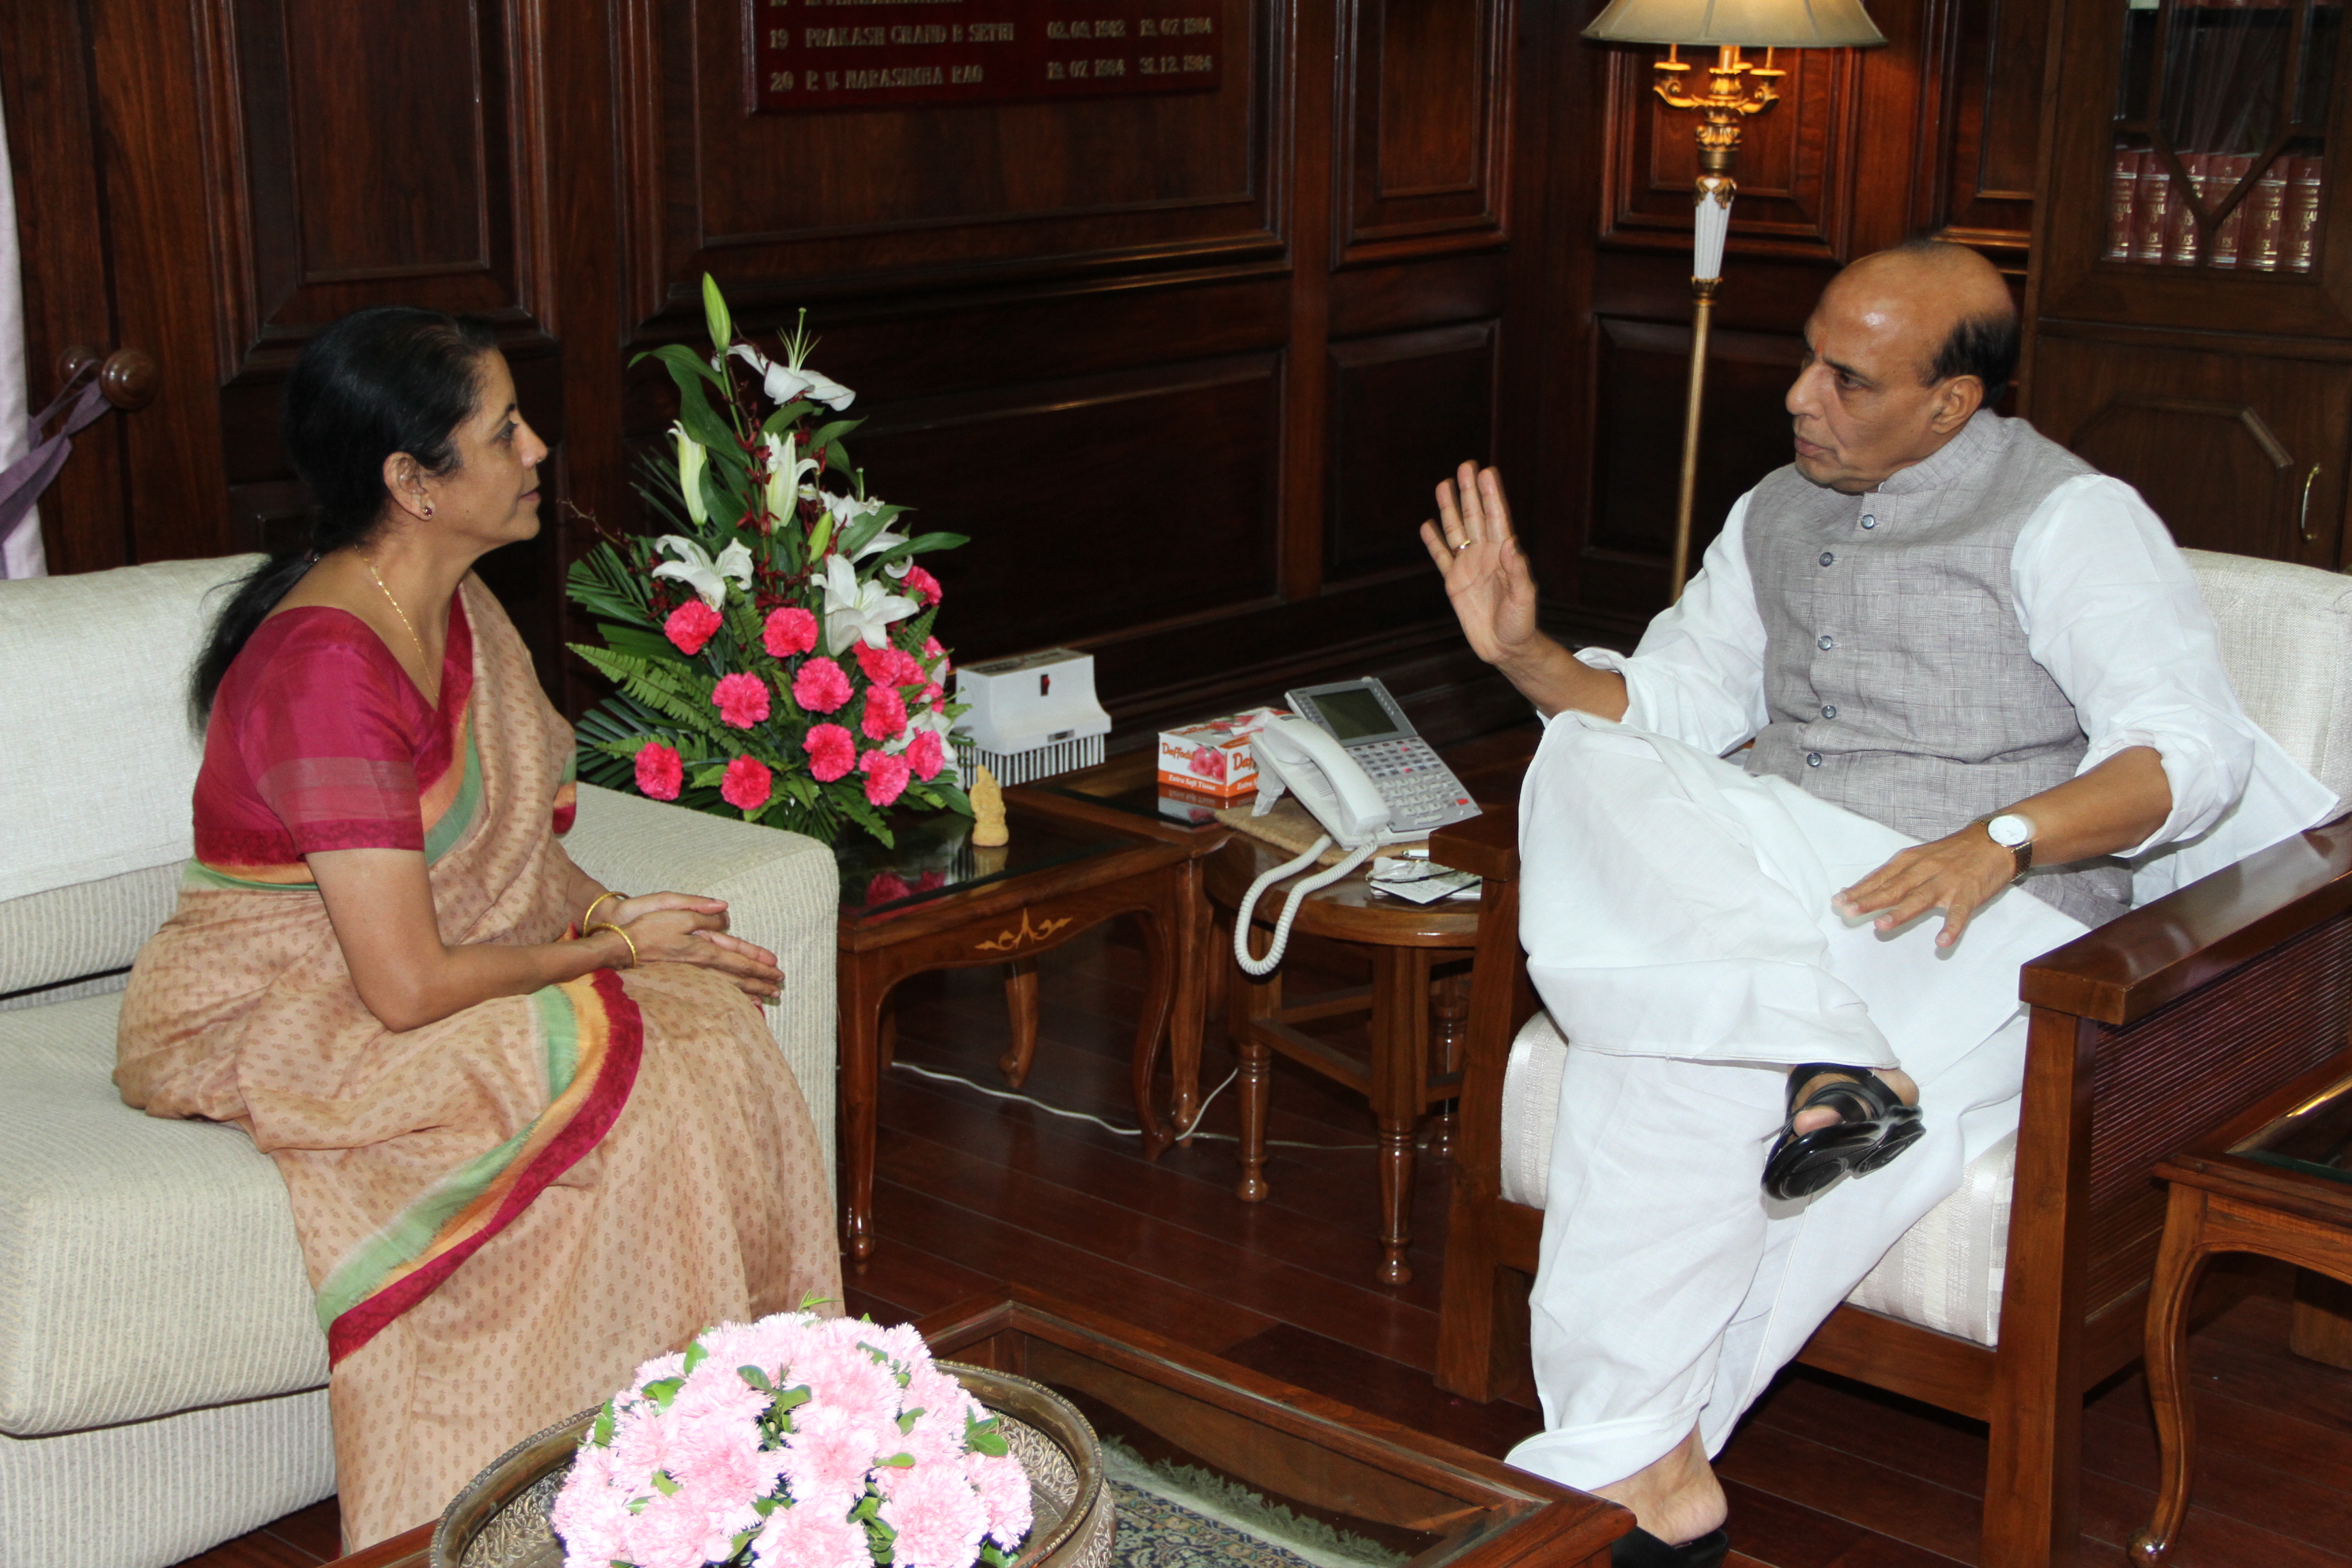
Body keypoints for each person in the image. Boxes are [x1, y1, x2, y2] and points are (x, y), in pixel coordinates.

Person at [1418, 240, 2338, 1567]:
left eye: (1847, 380)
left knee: (1665, 1042)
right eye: (1806, 357)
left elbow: (2188, 756)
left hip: (1978, 916)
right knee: (1588, 754)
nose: (1800, 396)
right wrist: (1528, 654)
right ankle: (1821, 1053)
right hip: (1792, 875)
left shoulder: (2073, 520)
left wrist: (2004, 839)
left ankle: (1636, 1469)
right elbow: (1677, 705)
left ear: (1951, 405)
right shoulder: (1772, 512)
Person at [115, 308, 840, 1550]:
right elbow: (401, 987)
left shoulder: (456, 608)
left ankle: (740, 1455)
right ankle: (521, 1495)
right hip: (286, 1002)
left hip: (395, 971)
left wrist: (626, 914)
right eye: (504, 431)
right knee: (620, 1071)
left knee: (711, 1028)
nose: (539, 448)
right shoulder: (324, 670)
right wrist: (616, 955)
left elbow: (514, 862)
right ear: (410, 481)